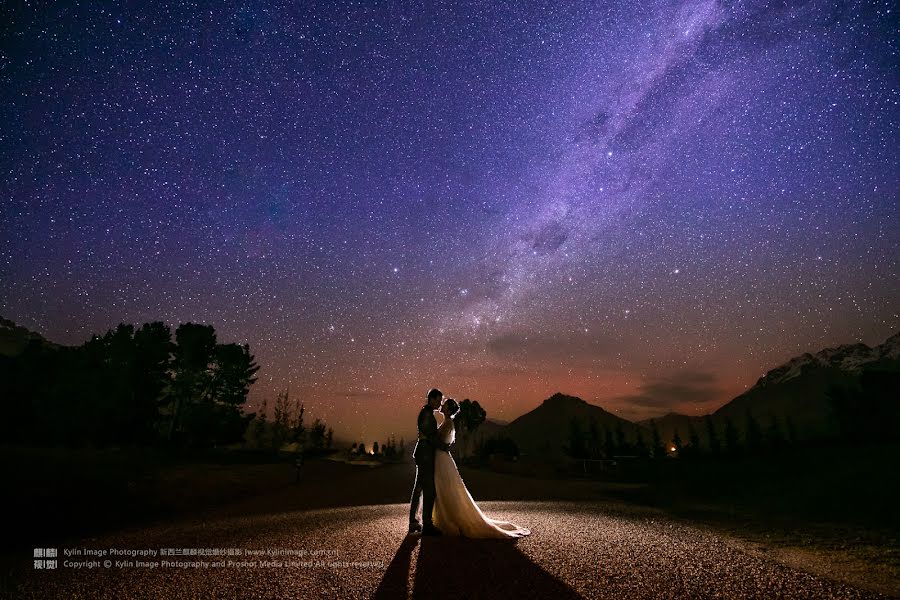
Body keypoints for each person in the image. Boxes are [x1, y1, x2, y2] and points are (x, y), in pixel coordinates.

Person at [432, 398, 531, 538]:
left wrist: (431, 439)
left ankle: (447, 520)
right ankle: (441, 518)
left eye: (445, 405)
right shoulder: (447, 422)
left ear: (448, 409)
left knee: (444, 487)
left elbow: (443, 444)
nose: (442, 406)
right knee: (441, 488)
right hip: (440, 458)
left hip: (441, 458)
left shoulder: (448, 423)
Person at [408, 388, 452, 536]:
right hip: (425, 454)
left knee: (419, 487)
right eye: (438, 400)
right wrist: (444, 447)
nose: (440, 404)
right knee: (428, 490)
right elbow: (432, 437)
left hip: (424, 453)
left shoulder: (426, 413)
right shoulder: (427, 415)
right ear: (431, 399)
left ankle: (414, 522)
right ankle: (426, 524)